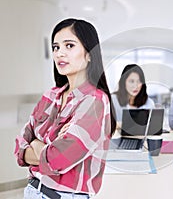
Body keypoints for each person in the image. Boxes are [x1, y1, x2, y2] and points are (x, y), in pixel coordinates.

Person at [14, 18, 116, 198]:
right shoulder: (50, 96)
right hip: (32, 191)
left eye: (69, 46)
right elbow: (19, 148)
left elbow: (58, 160)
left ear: (89, 53)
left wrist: (36, 143)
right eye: (56, 47)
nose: (60, 53)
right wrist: (47, 146)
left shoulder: (95, 101)